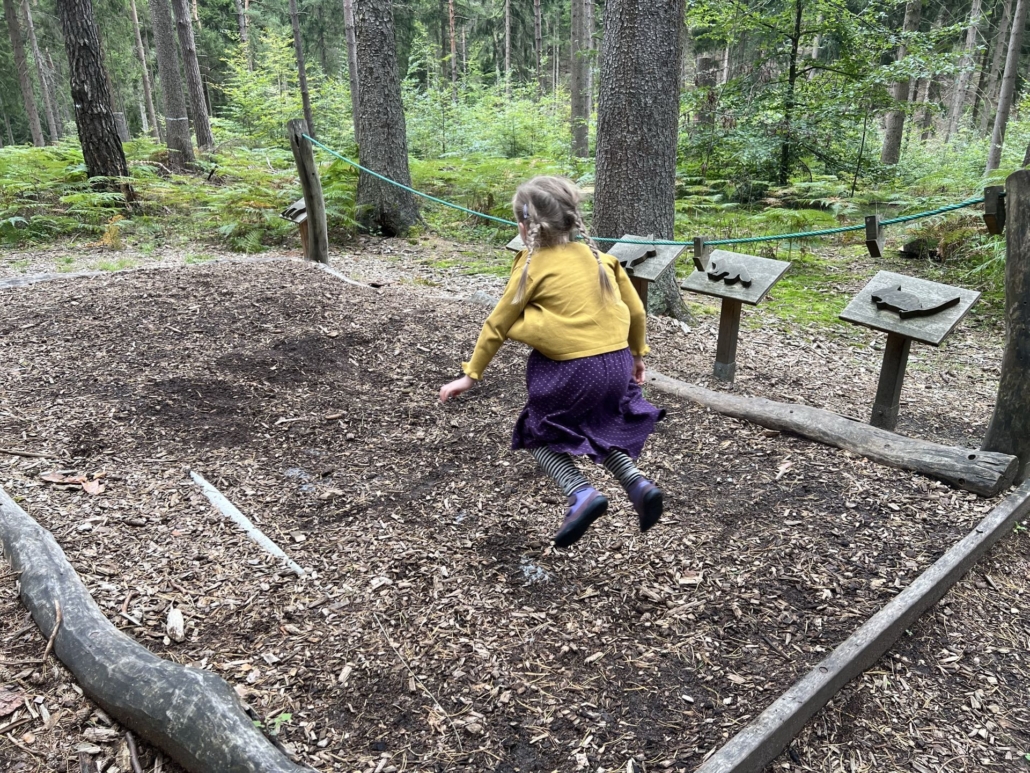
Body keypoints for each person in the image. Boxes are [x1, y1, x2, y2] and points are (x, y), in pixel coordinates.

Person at [438, 176, 665, 548]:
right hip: (617, 363)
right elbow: (637, 312)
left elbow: (497, 324)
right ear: (572, 219)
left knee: (536, 433)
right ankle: (637, 484)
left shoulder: (532, 266)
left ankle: (580, 492)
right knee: (600, 423)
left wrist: (470, 376)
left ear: (524, 226)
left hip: (572, 369)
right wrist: (638, 356)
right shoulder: (602, 258)